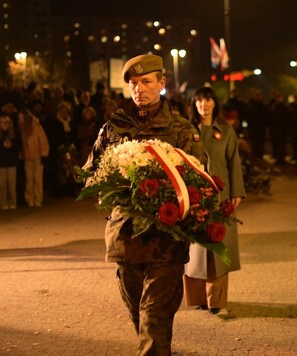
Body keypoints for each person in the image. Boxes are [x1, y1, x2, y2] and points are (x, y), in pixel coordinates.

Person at [83, 54, 205, 355]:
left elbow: (200, 182)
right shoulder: (112, 127)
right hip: (125, 239)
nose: (139, 89)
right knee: (138, 313)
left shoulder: (181, 129)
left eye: (146, 81)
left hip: (166, 239)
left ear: (162, 83)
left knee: (155, 316)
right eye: (134, 83)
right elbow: (91, 174)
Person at [183, 86, 246, 315]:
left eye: (208, 100)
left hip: (222, 195)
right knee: (196, 250)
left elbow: (234, 161)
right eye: (199, 101)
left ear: (214, 103)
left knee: (220, 246)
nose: (204, 104)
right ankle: (198, 297)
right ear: (194, 104)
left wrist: (237, 191)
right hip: (194, 196)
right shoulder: (186, 130)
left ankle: (216, 301)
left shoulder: (226, 130)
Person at [18, 108, 49, 207]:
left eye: (21, 117)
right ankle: (30, 198)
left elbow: (43, 141)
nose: (20, 119)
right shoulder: (21, 128)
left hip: (38, 156)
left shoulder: (36, 127)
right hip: (27, 157)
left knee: (37, 178)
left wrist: (44, 155)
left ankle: (38, 198)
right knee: (29, 179)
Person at [0, 115, 20, 210]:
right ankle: (2, 203)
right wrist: (1, 144)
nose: (4, 124)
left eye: (7, 122)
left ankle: (12, 202)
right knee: (1, 184)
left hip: (11, 162)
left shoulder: (14, 134)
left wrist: (11, 145)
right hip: (0, 162)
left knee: (11, 184)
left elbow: (18, 146)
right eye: (2, 122)